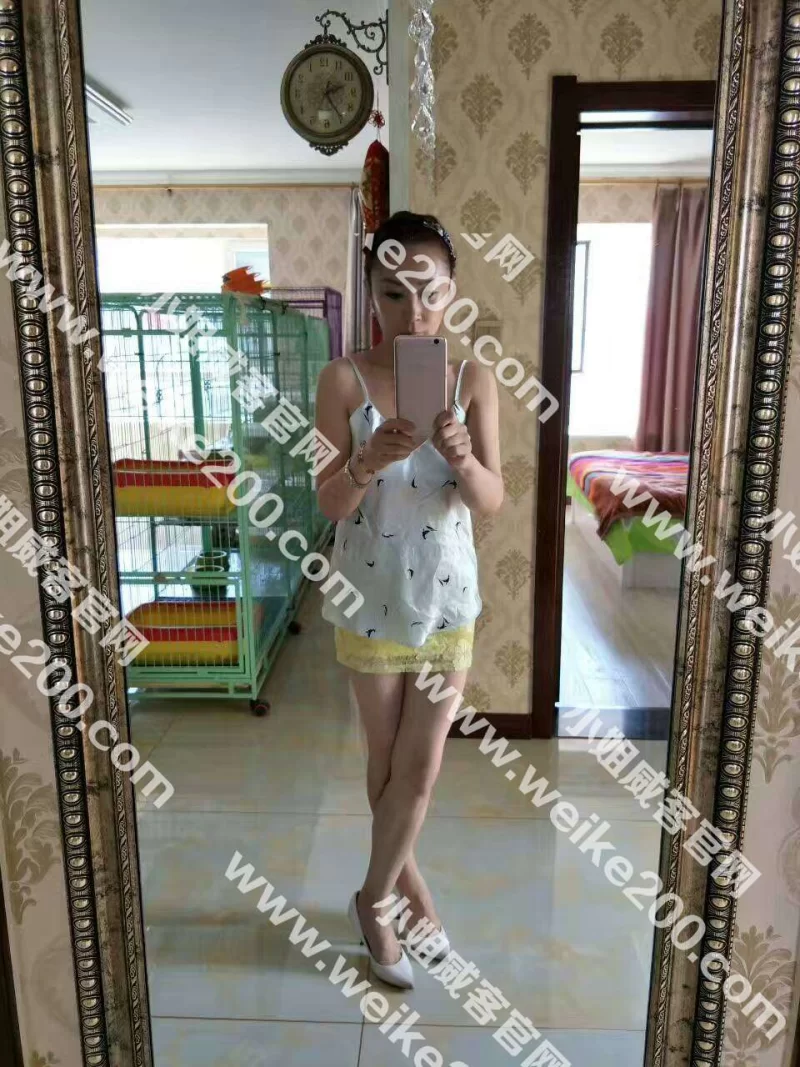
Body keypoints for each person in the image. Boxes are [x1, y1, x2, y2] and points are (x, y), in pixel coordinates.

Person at [314, 211, 503, 988]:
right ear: (373, 297)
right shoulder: (343, 380)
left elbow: (491, 500)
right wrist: (364, 461)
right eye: (394, 293)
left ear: (452, 293)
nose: (414, 311)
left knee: (419, 770)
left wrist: (463, 458)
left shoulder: (473, 379)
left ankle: (372, 896)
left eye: (430, 292)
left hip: (447, 601)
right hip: (368, 599)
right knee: (386, 761)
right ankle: (409, 899)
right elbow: (329, 502)